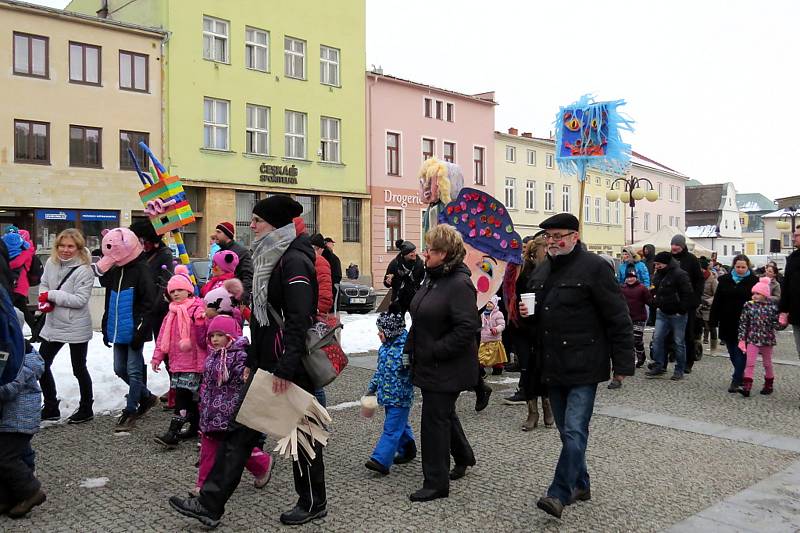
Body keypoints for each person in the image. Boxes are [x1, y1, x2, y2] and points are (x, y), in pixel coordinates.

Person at [169, 194, 324, 527]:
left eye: (257, 220)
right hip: (269, 363)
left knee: (301, 436)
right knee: (241, 433)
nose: (250, 225)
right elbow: (262, 319)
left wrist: (284, 367)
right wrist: (254, 359)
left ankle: (313, 502)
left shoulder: (294, 260)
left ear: (275, 224)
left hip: (287, 366)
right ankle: (211, 504)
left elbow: (299, 318)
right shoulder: (271, 255)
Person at [521, 213, 633, 519]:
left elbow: (618, 316)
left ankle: (559, 493)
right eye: (549, 237)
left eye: (560, 236)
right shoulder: (543, 269)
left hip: (585, 363)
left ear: (575, 236)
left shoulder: (595, 268)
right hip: (552, 364)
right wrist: (527, 315)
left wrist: (623, 362)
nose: (554, 242)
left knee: (573, 430)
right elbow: (538, 322)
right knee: (565, 432)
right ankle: (581, 483)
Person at [404, 224, 479, 503]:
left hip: (447, 366)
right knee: (443, 414)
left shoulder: (459, 283)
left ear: (446, 254)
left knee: (434, 420)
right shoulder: (432, 277)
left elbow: (467, 327)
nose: (426, 254)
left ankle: (436, 482)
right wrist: (410, 347)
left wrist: (435, 350)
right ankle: (463, 456)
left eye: (432, 250)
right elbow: (421, 316)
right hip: (428, 362)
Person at [195, 315, 272, 495]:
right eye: (212, 335)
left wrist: (245, 373)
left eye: (219, 335)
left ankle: (263, 464)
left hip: (230, 413)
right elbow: (207, 383)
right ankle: (202, 485)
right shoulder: (212, 356)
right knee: (208, 450)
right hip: (211, 413)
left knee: (236, 448)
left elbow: (244, 377)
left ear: (230, 336)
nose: (214, 339)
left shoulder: (240, 356)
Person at [97, 227, 159, 432]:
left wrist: (140, 331)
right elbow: (109, 297)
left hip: (134, 329)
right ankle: (147, 396)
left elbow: (149, 303)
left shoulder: (142, 270)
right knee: (119, 368)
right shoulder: (116, 270)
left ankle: (131, 410)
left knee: (133, 371)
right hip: (117, 328)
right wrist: (107, 325)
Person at [36, 229, 96, 423]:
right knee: (41, 365)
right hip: (53, 324)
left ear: (78, 248)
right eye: (62, 246)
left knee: (79, 368)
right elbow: (44, 284)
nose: (65, 250)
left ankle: (87, 408)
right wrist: (44, 297)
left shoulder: (85, 269)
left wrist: (51, 295)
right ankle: (51, 406)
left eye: (70, 246)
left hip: (75, 325)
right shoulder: (51, 263)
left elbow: (80, 300)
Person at [151, 266, 207, 447]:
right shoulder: (172, 312)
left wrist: (202, 319)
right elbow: (162, 337)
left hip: (194, 362)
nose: (175, 294)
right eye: (172, 291)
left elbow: (205, 329)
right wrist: (157, 357)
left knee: (186, 397)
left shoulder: (197, 309)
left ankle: (173, 432)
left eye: (179, 290)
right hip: (178, 363)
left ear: (189, 290)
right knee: (188, 397)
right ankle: (194, 427)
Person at [505, 233, 554, 431]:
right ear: (538, 252)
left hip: (542, 328)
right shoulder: (522, 270)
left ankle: (547, 406)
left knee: (544, 368)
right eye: (546, 250)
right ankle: (532, 411)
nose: (549, 253)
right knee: (527, 368)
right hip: (522, 327)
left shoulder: (552, 269)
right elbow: (511, 294)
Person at [0, 309, 46, 519]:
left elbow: (10, 386)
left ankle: (31, 491)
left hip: (19, 417)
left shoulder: (20, 357)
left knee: (6, 457)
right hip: (10, 417)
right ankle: (8, 497)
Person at [364, 310, 416, 475]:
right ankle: (408, 448)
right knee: (400, 424)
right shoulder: (384, 349)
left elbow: (413, 372)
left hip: (400, 398)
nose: (379, 334)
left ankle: (381, 460)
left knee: (391, 429)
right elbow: (380, 372)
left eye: (381, 331)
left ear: (391, 331)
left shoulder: (405, 350)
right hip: (387, 396)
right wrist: (372, 387)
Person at [711, 255, 758, 393]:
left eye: (743, 267)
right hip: (727, 320)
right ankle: (740, 374)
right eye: (738, 267)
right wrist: (714, 319)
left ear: (748, 267)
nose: (740, 269)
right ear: (734, 266)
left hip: (746, 322)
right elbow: (717, 300)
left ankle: (736, 379)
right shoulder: (725, 280)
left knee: (742, 351)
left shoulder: (754, 281)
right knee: (732, 350)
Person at [645, 252, 694, 380]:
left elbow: (687, 293)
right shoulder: (658, 274)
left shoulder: (680, 274)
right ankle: (659, 365)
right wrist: (655, 301)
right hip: (662, 312)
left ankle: (679, 369)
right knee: (657, 340)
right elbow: (656, 290)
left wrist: (682, 310)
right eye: (655, 264)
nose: (656, 266)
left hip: (677, 314)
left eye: (658, 264)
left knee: (678, 342)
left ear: (666, 263)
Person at [737, 277, 779, 397]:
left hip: (767, 339)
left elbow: (776, 324)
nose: (754, 296)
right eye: (753, 293)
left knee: (767, 363)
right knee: (750, 362)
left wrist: (782, 321)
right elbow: (743, 322)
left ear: (765, 294)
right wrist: (742, 338)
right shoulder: (749, 306)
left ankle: (769, 384)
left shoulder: (772, 307)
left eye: (758, 293)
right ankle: (747, 386)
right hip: (753, 338)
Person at [670, 235, 704, 373]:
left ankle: (688, 361)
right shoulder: (669, 258)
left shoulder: (692, 260)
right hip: (672, 302)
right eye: (673, 244)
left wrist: (695, 299)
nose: (674, 247)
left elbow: (699, 280)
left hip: (688, 302)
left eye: (677, 245)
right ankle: (672, 357)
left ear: (682, 246)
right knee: (670, 333)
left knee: (687, 334)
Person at [620, 269, 651, 376]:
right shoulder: (622, 288)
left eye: (632, 277)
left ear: (636, 277)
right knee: (628, 340)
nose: (630, 279)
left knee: (636, 339)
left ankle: (641, 357)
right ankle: (631, 360)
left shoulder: (642, 288)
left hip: (639, 317)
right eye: (628, 277)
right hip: (626, 317)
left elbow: (649, 301)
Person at [214, 221, 254, 303]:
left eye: (219, 232)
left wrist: (242, 299)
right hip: (219, 299)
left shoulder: (242, 252)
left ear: (227, 235)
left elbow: (248, 276)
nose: (215, 235)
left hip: (235, 300)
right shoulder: (218, 253)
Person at [5, 227, 36, 328]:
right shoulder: (23, 251)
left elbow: (15, 264)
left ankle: (36, 331)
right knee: (22, 310)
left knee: (9, 308)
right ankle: (37, 331)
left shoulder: (26, 252)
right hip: (18, 285)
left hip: (18, 285)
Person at [383, 240, 425, 316]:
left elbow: (423, 280)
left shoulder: (419, 264)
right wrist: (388, 281)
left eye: (414, 251)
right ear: (405, 254)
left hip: (414, 298)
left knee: (417, 323)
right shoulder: (395, 264)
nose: (414, 254)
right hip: (398, 299)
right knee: (396, 323)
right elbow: (386, 284)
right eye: (411, 252)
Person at [780, 226, 800, 358]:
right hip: (797, 312)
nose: (793, 238)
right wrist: (783, 309)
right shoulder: (793, 258)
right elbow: (786, 285)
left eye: (797, 235)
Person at [478, 295, 507, 375]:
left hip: (495, 339)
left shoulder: (498, 314)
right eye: (487, 303)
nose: (488, 305)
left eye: (490, 303)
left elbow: (502, 325)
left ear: (495, 304)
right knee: (482, 355)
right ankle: (480, 369)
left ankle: (498, 368)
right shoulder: (482, 314)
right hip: (484, 339)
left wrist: (496, 329)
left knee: (497, 356)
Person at [698, 257, 719, 350]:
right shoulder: (696, 278)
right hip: (698, 306)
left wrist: (708, 301)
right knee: (697, 326)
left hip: (708, 307)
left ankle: (713, 348)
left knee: (711, 327)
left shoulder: (712, 279)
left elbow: (717, 295)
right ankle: (697, 347)